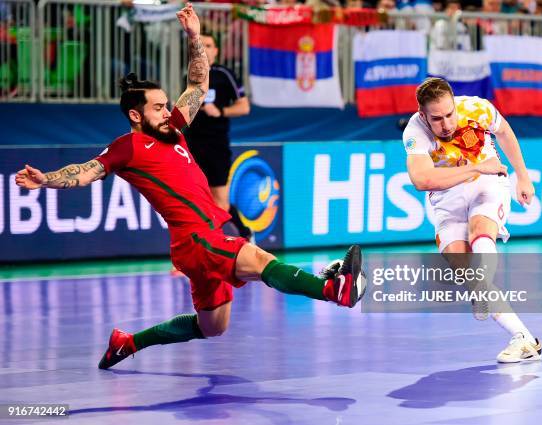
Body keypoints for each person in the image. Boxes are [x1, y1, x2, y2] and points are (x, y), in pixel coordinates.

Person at [15, 3, 366, 370]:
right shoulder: (129, 147)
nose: (168, 112)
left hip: (199, 241)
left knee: (212, 326)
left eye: (167, 105)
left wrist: (195, 38)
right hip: (196, 239)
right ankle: (331, 289)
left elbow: (198, 84)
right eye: (158, 108)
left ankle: (128, 343)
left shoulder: (174, 130)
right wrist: (46, 179)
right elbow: (86, 171)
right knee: (261, 259)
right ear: (136, 116)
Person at [402, 77, 541, 363]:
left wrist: (522, 176)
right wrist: (476, 166)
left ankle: (481, 286)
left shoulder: (477, 108)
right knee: (461, 266)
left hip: (488, 182)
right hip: (448, 195)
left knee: (481, 232)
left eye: (450, 114)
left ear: (455, 103)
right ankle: (524, 339)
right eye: (437, 119)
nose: (447, 124)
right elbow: (423, 179)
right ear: (422, 114)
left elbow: (504, 133)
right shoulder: (414, 132)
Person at [184, 32, 253, 241]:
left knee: (220, 202)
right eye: (201, 45)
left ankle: (244, 233)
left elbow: (244, 107)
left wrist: (221, 111)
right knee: (195, 200)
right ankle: (200, 248)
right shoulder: (190, 76)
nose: (204, 49)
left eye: (209, 45)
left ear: (216, 51)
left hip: (216, 145)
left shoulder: (225, 74)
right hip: (192, 144)